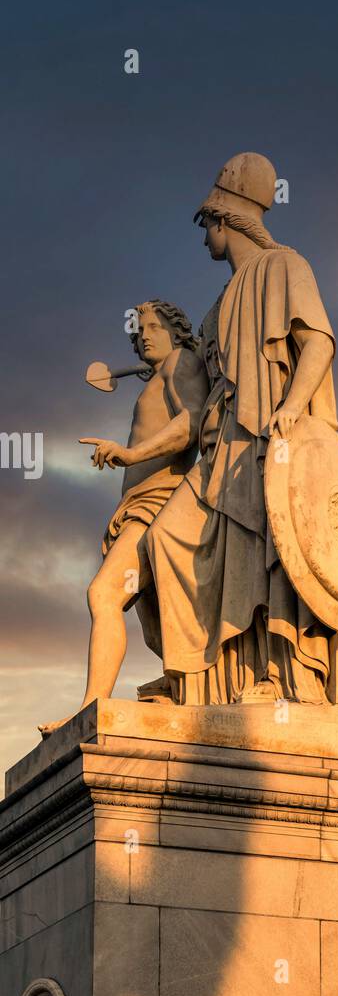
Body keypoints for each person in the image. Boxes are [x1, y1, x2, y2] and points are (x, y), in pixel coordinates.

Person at [143, 153, 338, 705]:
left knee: (269, 549)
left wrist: (294, 406)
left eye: (207, 222)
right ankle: (193, 674)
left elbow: (317, 341)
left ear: (226, 219)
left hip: (268, 442)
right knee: (165, 539)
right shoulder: (214, 310)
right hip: (220, 451)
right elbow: (194, 402)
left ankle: (277, 674)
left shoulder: (285, 268)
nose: (204, 234)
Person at [38, 301, 207, 735]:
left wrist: (131, 453)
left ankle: (94, 705)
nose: (145, 335)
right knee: (156, 628)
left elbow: (190, 424)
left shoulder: (182, 363)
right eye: (139, 332)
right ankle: (184, 687)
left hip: (160, 503)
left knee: (104, 594)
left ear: (177, 331)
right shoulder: (158, 378)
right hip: (138, 505)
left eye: (154, 326)